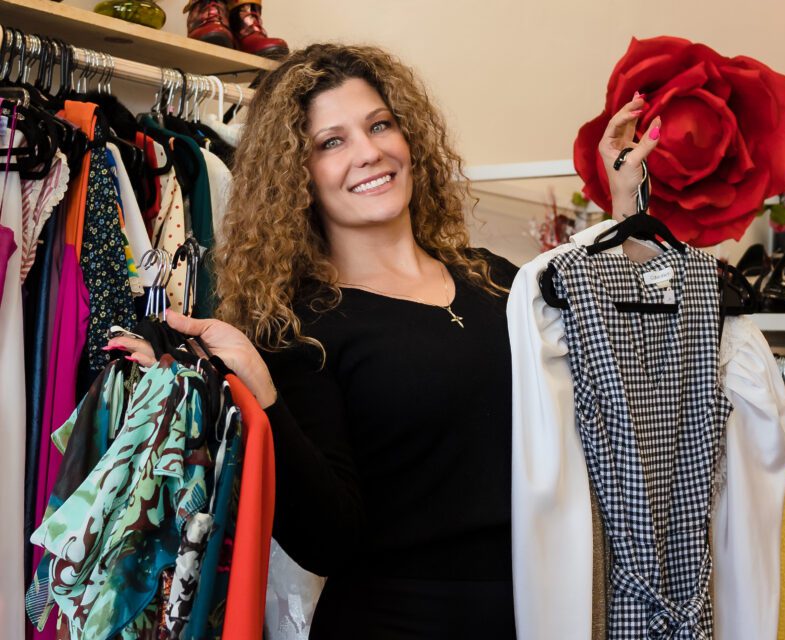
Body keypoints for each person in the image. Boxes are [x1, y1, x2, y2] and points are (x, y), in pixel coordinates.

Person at [107, 42, 660, 639]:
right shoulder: (296, 327)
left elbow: (621, 379)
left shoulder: (497, 278)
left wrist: (626, 199)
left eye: (379, 125)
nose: (369, 153)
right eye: (332, 142)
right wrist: (261, 392)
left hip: (541, 609)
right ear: (298, 175)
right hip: (395, 621)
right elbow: (327, 540)